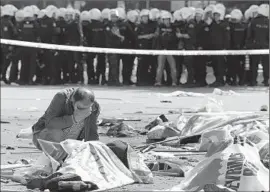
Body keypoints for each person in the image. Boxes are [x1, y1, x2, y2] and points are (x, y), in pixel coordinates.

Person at [32, 87, 100, 150]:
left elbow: (92, 133)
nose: (83, 112)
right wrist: (73, 118)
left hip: (70, 143)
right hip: (44, 137)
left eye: (87, 109)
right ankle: (56, 154)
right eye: (80, 108)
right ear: (72, 100)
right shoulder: (61, 97)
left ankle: (65, 154)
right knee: (56, 133)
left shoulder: (94, 107)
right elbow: (49, 123)